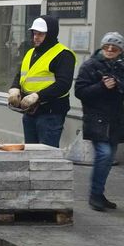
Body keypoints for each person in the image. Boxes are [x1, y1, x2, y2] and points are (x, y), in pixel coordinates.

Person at [74, 31, 124, 212]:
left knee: (109, 158)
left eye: (115, 47)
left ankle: (99, 193)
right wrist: (102, 86)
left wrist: (120, 85)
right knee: (103, 154)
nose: (110, 50)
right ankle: (95, 195)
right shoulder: (90, 66)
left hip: (116, 120)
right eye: (107, 46)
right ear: (102, 47)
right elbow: (80, 92)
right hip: (96, 119)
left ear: (120, 50)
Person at [7, 15, 76, 147]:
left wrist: (37, 96)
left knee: (46, 155)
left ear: (50, 34)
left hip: (50, 113)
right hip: (30, 111)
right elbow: (21, 75)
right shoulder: (31, 52)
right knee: (30, 152)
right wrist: (14, 88)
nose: (36, 37)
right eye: (34, 33)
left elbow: (63, 84)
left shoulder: (63, 54)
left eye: (40, 34)